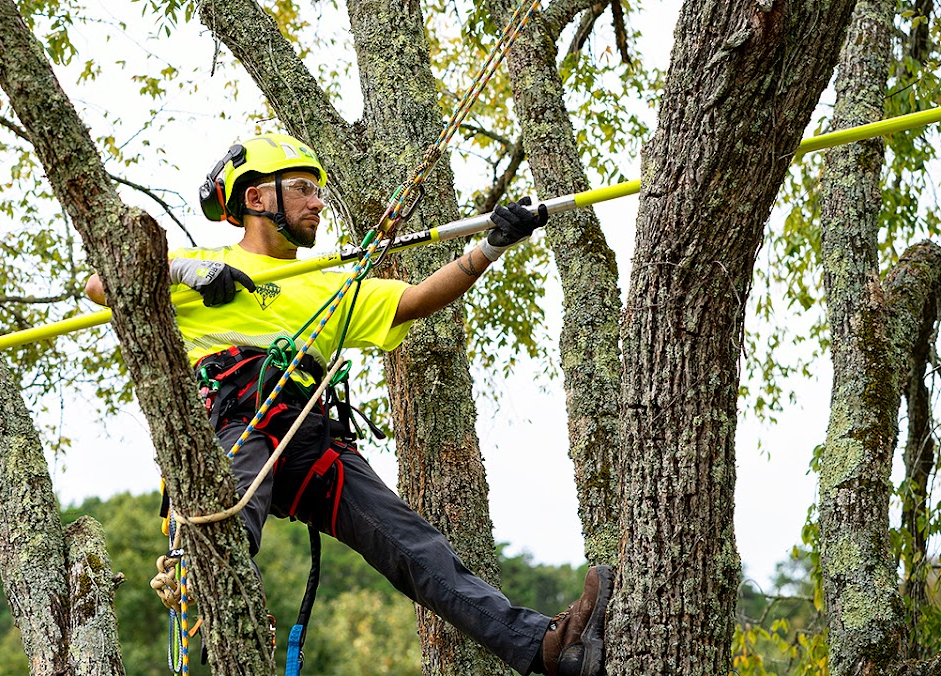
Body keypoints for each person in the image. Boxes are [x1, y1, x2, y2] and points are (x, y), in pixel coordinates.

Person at [86, 132, 612, 676]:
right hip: (237, 420)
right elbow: (101, 284)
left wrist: (490, 247)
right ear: (256, 199)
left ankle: (544, 649)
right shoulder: (205, 265)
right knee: (229, 527)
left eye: (318, 190)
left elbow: (413, 300)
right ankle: (214, 621)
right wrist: (180, 270)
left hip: (312, 439)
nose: (317, 202)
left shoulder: (329, 285)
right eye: (301, 189)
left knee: (416, 547)